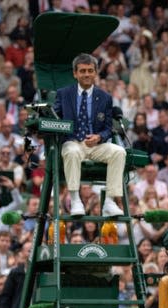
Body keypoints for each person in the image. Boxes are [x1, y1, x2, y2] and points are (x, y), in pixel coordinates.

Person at [53, 53, 126, 217]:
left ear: (96, 72)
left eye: (90, 70)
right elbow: (53, 117)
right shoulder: (64, 94)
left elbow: (108, 128)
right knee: (71, 151)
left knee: (119, 152)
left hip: (96, 145)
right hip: (73, 142)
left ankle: (109, 201)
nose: (87, 74)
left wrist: (99, 137)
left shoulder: (105, 97)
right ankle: (75, 200)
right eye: (83, 71)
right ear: (75, 73)